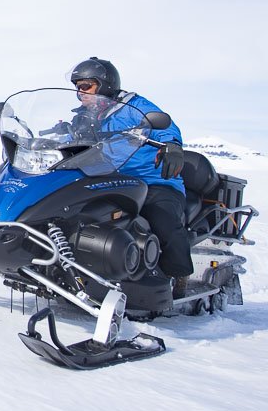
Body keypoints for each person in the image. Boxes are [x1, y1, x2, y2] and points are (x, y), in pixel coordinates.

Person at [68, 57, 192, 290]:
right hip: (108, 179)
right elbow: (69, 138)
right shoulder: (86, 115)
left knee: (162, 217)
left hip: (153, 178)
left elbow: (165, 126)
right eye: (77, 87)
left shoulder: (133, 107)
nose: (80, 92)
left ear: (104, 84)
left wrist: (172, 146)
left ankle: (178, 274)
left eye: (86, 86)